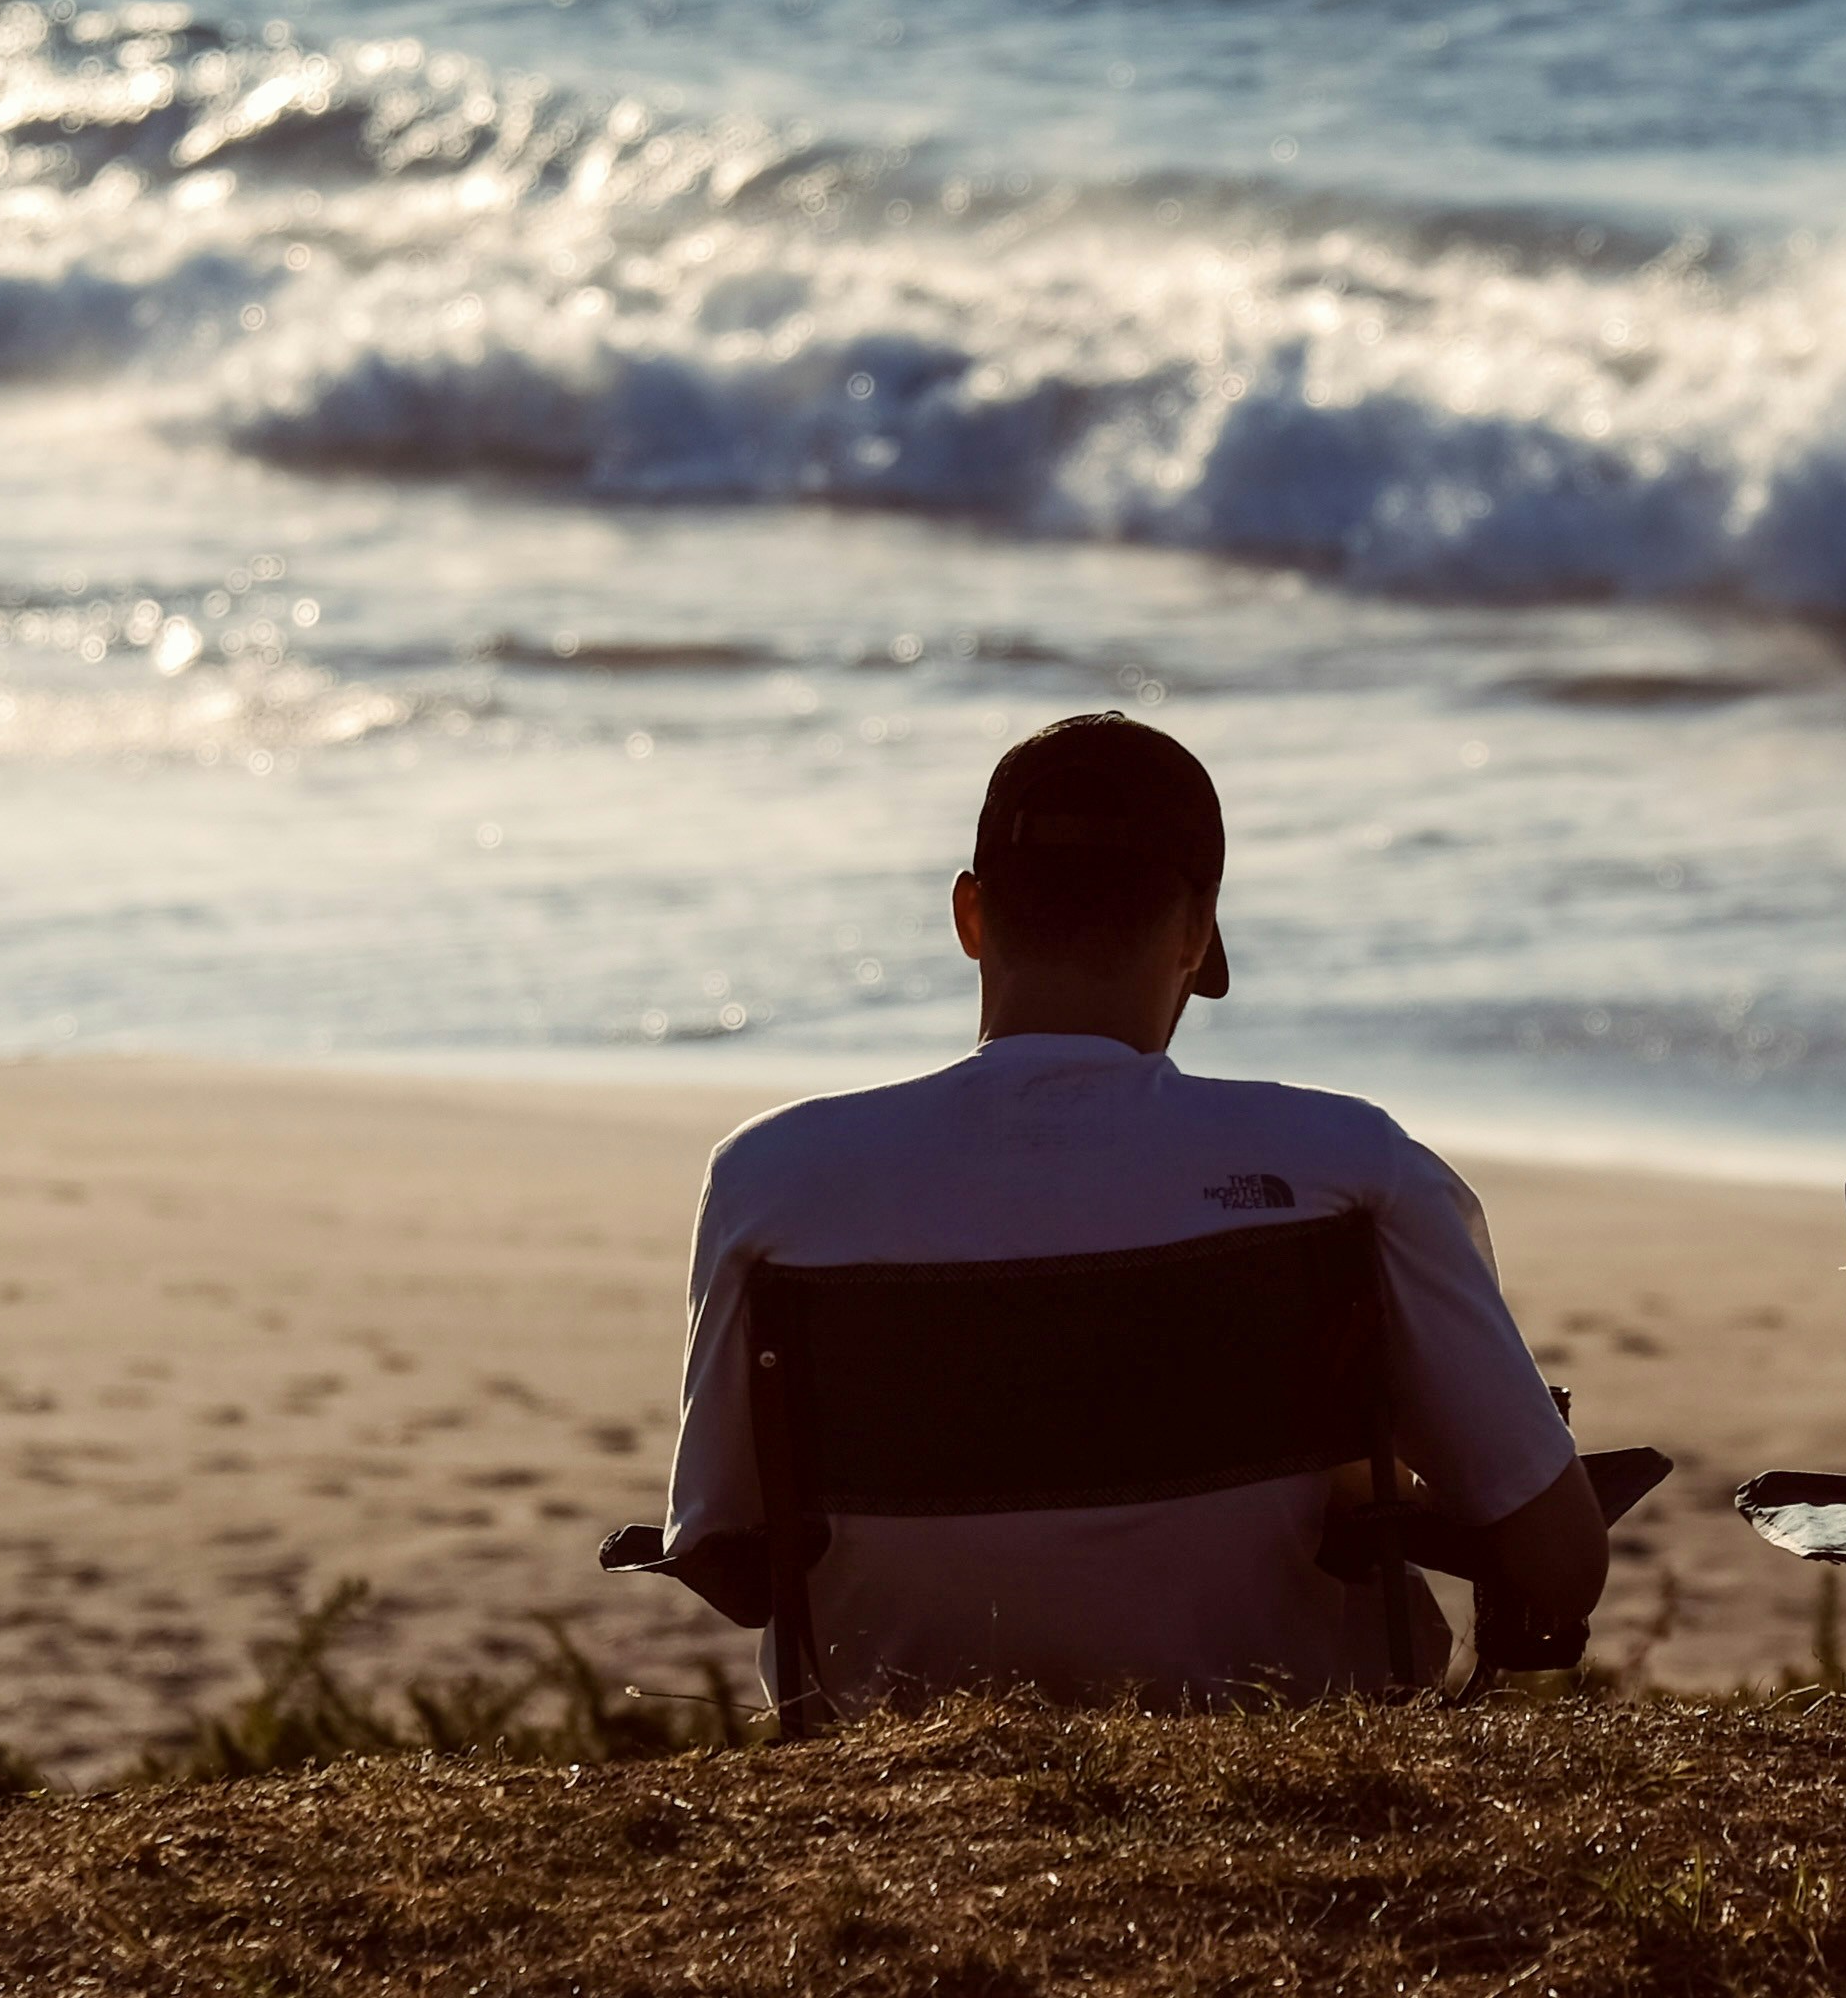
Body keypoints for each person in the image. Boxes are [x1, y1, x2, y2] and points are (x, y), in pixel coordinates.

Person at [656, 712, 1605, 1712]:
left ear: (972, 918)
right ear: (1193, 934)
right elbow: (1556, 1568)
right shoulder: (1351, 1169)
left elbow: (723, 1546)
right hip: (1289, 1778)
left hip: (900, 1784)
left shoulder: (774, 1180)